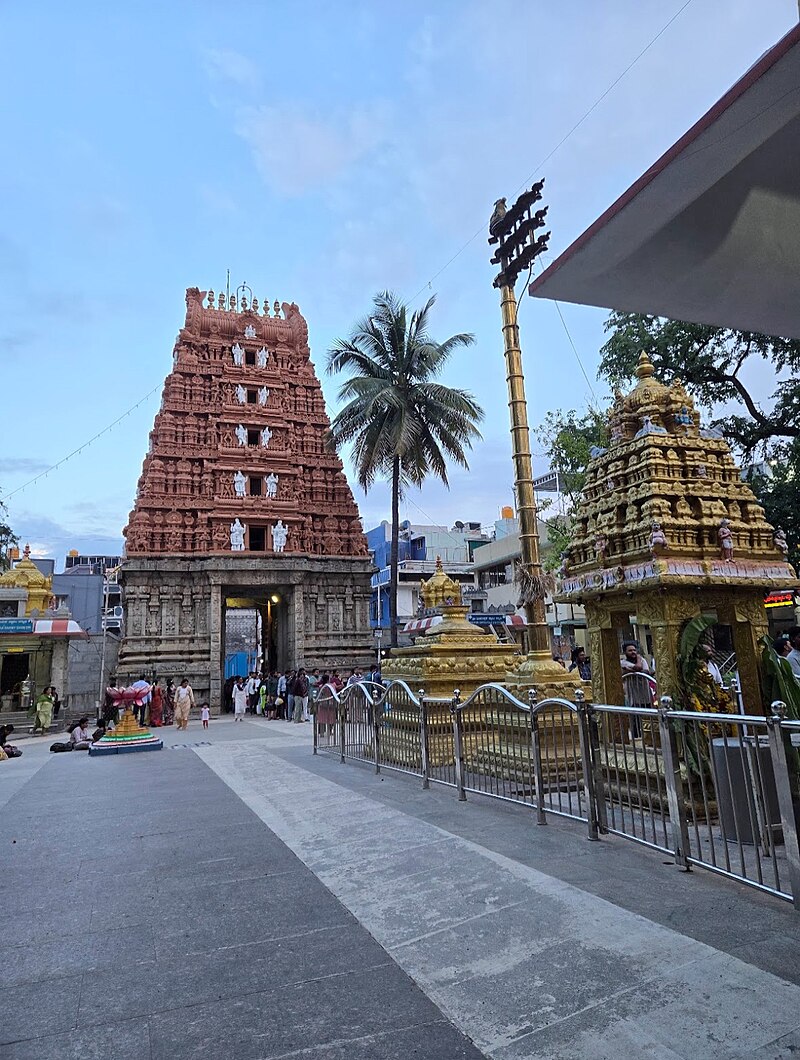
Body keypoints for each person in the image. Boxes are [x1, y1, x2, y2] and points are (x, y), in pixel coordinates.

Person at [621, 642, 652, 734]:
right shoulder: (623, 662)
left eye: (634, 650)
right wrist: (637, 666)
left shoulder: (642, 660)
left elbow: (646, 672)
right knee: (635, 719)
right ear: (625, 652)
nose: (633, 652)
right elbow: (638, 667)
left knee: (648, 717)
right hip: (633, 695)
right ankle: (636, 736)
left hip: (645, 694)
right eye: (630, 650)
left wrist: (630, 670)